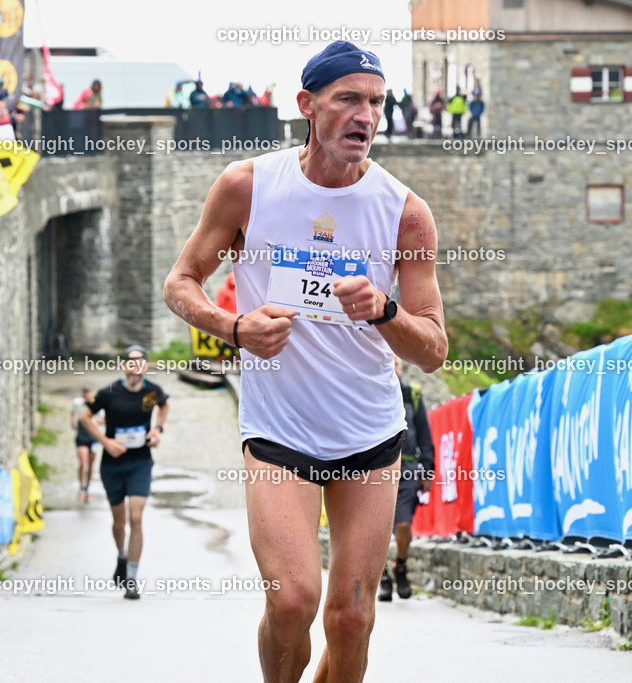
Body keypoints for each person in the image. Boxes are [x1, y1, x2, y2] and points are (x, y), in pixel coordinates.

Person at [163, 40, 447, 682]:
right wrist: (234, 327)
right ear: (307, 106)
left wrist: (382, 311)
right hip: (279, 431)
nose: (366, 115)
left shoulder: (405, 213)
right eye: (348, 99)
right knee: (291, 600)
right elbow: (181, 282)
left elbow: (433, 350)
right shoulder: (249, 186)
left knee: (351, 621)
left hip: (369, 433)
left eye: (376, 102)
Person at [80, 345, 169, 600]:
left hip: (140, 461)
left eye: (140, 363)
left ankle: (132, 578)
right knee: (119, 521)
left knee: (136, 517)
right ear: (124, 366)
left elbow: (164, 405)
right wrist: (104, 442)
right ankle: (121, 554)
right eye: (131, 363)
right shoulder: (109, 392)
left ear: (145, 367)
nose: (135, 369)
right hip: (112, 464)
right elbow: (86, 417)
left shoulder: (150, 393)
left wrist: (157, 430)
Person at [378, 357, 435, 602]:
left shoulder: (412, 394)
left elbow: (424, 433)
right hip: (375, 469)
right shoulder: (370, 392)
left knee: (403, 525)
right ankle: (382, 577)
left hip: (408, 468)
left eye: (397, 364)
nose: (393, 368)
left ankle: (400, 567)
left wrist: (428, 471)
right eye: (388, 363)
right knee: (375, 530)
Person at [71, 388, 101, 503]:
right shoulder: (78, 404)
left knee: (90, 465)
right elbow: (73, 413)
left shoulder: (97, 406)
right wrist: (73, 421)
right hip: (81, 438)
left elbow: (104, 419)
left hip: (94, 439)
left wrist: (95, 421)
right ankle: (81, 488)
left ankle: (87, 489)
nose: (86, 400)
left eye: (89, 397)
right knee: (83, 464)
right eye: (85, 397)